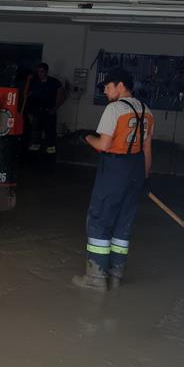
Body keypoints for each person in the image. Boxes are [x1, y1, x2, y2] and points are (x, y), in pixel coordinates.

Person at [73, 67, 154, 291]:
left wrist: (86, 137)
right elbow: (147, 148)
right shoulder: (147, 110)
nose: (106, 92)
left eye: (108, 87)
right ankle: (115, 274)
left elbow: (103, 145)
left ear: (120, 85)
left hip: (115, 170)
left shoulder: (115, 109)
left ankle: (96, 278)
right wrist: (145, 177)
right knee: (122, 223)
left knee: (100, 220)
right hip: (136, 170)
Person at [25, 63, 66, 154]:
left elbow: (63, 95)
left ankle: (51, 146)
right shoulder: (35, 82)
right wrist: (28, 80)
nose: (40, 74)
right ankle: (35, 145)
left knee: (50, 130)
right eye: (38, 72)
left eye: (42, 71)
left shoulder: (54, 82)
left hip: (49, 110)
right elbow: (27, 94)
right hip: (37, 109)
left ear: (46, 72)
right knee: (36, 129)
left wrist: (55, 108)